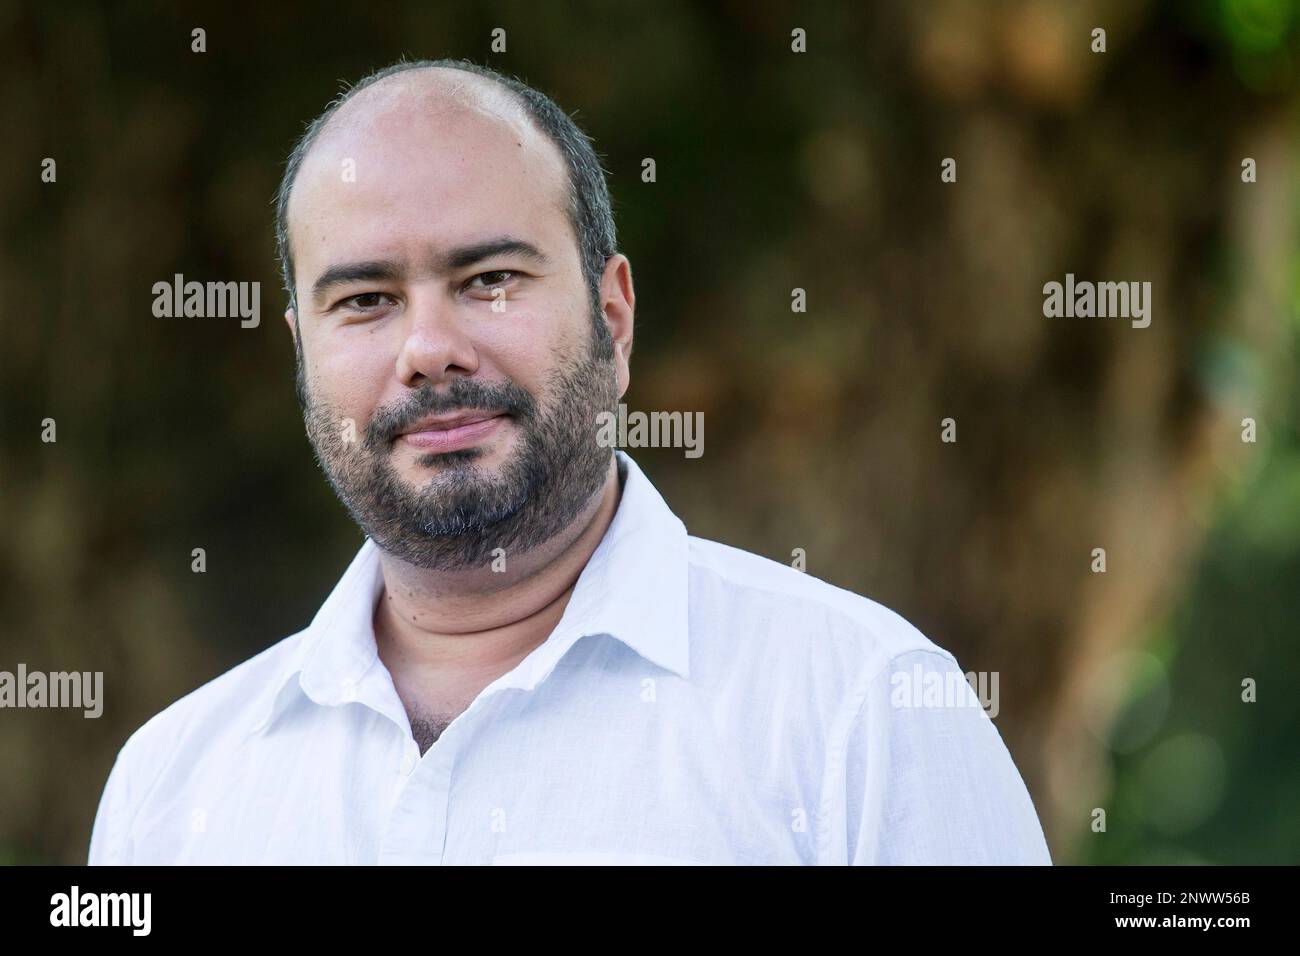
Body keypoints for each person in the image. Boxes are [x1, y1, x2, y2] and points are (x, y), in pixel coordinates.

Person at [88, 58, 1052, 865]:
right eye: (365, 300)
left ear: (614, 318)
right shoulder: (172, 788)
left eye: (490, 280)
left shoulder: (862, 710)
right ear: (301, 347)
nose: (429, 348)